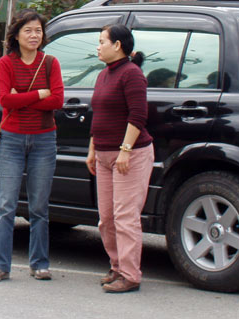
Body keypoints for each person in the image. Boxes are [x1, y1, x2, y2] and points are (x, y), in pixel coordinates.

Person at [0, 9, 64, 283]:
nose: (34, 35)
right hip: (12, 139)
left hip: (44, 139)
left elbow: (57, 101)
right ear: (16, 35)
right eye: (28, 30)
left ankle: (40, 263)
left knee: (39, 207)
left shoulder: (51, 63)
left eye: (38, 30)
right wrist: (39, 93)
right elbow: (5, 100)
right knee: (6, 205)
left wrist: (23, 97)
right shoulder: (7, 63)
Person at [86, 24, 153, 293]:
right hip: (103, 155)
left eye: (102, 41)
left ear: (117, 45)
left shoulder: (132, 74)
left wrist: (125, 150)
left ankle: (130, 274)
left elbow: (138, 115)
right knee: (107, 218)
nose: (98, 46)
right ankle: (116, 266)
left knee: (125, 217)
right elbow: (99, 115)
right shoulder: (104, 74)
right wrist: (92, 150)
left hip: (130, 156)